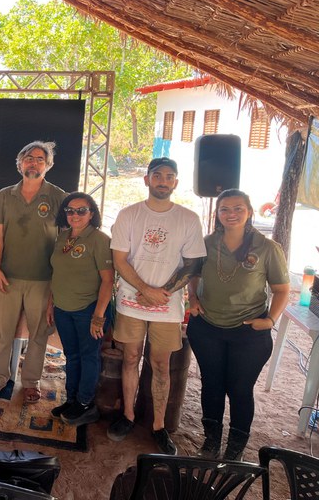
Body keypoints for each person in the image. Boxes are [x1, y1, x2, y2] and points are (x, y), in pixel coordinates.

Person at [107, 157, 206, 455]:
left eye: (169, 176)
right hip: (131, 300)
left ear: (176, 182)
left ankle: (159, 426)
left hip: (167, 304)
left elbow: (192, 264)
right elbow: (119, 260)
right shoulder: (129, 214)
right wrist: (145, 290)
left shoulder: (188, 219)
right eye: (157, 175)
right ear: (147, 180)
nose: (163, 181)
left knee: (161, 364)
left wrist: (160, 293)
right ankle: (128, 416)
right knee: (130, 358)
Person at [187, 189, 289, 461]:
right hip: (207, 328)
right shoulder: (207, 243)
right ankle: (210, 444)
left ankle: (235, 451)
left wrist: (270, 320)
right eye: (225, 209)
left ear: (250, 212)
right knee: (211, 385)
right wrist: (193, 297)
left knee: (240, 390)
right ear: (217, 213)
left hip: (248, 334)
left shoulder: (267, 248)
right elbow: (193, 274)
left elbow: (281, 290)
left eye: (238, 208)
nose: (231, 214)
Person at [0, 141, 67, 404]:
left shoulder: (59, 197)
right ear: (20, 163)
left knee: (39, 334)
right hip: (8, 277)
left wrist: (57, 280)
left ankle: (31, 381)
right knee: (2, 332)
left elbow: (65, 241)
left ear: (48, 165)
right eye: (29, 158)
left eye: (40, 159)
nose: (34, 163)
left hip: (43, 279)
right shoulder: (4, 195)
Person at [48, 192, 114, 426]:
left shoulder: (99, 239)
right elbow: (57, 273)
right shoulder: (62, 236)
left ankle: (85, 404)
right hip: (62, 308)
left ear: (91, 213)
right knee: (71, 355)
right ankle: (72, 399)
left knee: (88, 356)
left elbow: (108, 280)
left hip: (88, 309)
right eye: (70, 210)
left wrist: (98, 316)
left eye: (81, 210)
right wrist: (51, 304)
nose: (74, 215)